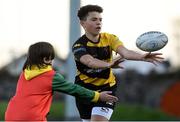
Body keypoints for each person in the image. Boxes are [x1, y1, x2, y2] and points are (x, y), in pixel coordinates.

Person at [72, 4, 164, 122]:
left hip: (107, 87)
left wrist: (142, 57)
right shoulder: (79, 45)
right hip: (85, 90)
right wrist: (109, 64)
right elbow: (89, 61)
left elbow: (125, 53)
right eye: (94, 19)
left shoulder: (110, 38)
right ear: (83, 23)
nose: (98, 23)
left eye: (100, 20)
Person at [5, 42, 118, 121]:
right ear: (46, 59)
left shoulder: (24, 74)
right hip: (32, 118)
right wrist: (97, 96)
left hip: (11, 115)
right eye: (52, 58)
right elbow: (75, 89)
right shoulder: (51, 76)